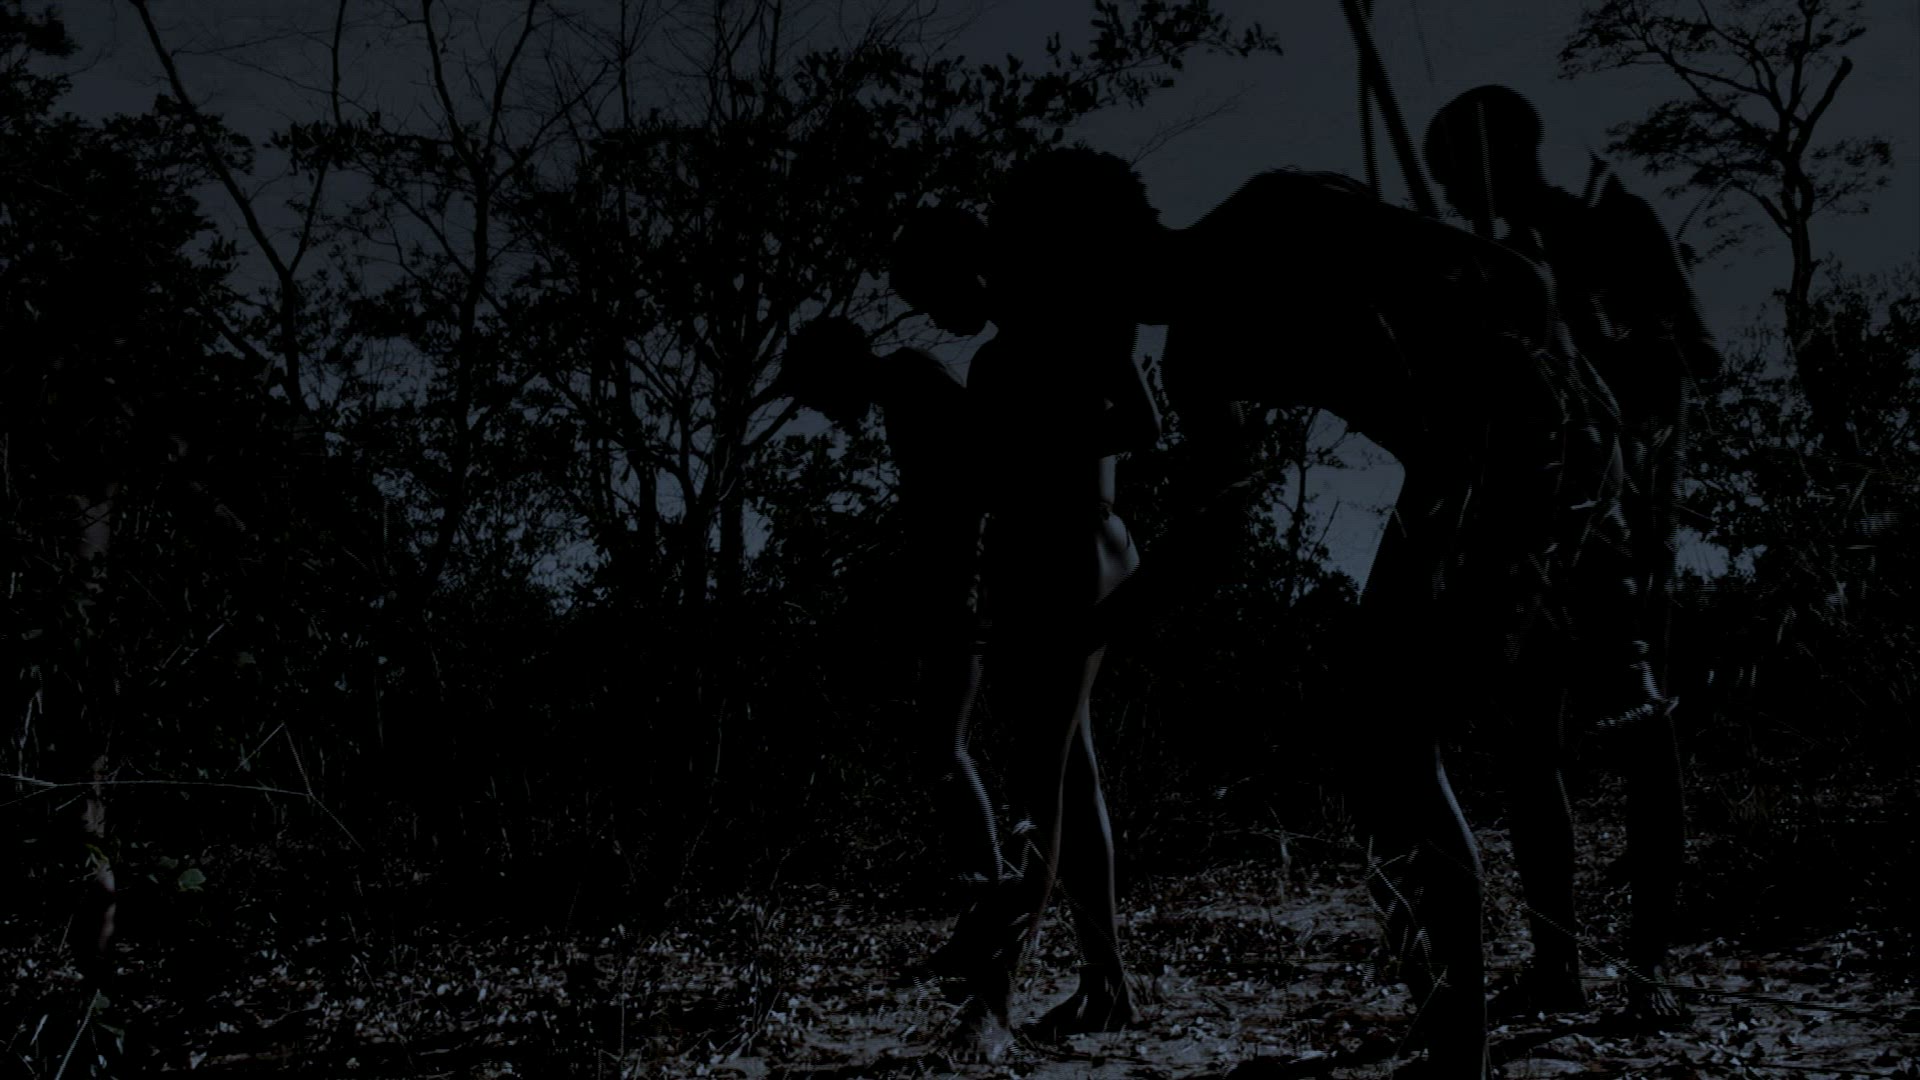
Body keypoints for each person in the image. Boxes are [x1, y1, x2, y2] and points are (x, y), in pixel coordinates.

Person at [987, 146, 1648, 1078]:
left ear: (1085, 254)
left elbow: (1514, 279)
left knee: (1397, 729)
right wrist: (1100, 622)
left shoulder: (1278, 212)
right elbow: (1219, 530)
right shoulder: (1196, 359)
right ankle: (1449, 1026)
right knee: (1376, 735)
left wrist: (1502, 399)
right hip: (1452, 474)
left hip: (1539, 440)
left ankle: (1463, 1043)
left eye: (1043, 275)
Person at [1425, 84, 1724, 1023]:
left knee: (1637, 725)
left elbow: (1693, 356)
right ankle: (1558, 967)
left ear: (1507, 154)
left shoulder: (1608, 224)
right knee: (1527, 745)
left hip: (1608, 519)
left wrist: (1578, 344)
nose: (1456, 199)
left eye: (1460, 176)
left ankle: (1647, 971)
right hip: (1515, 529)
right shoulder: (1476, 262)